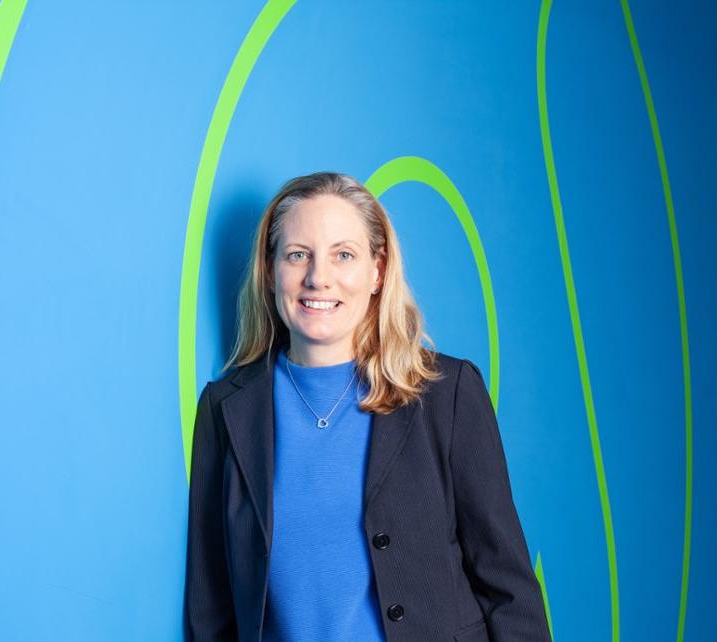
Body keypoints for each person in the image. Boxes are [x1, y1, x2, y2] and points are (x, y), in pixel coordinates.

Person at [186, 172, 551, 642]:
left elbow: (508, 586)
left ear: (377, 271)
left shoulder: (447, 393)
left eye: (343, 255)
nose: (318, 277)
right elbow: (211, 605)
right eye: (297, 255)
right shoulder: (226, 410)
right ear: (270, 270)